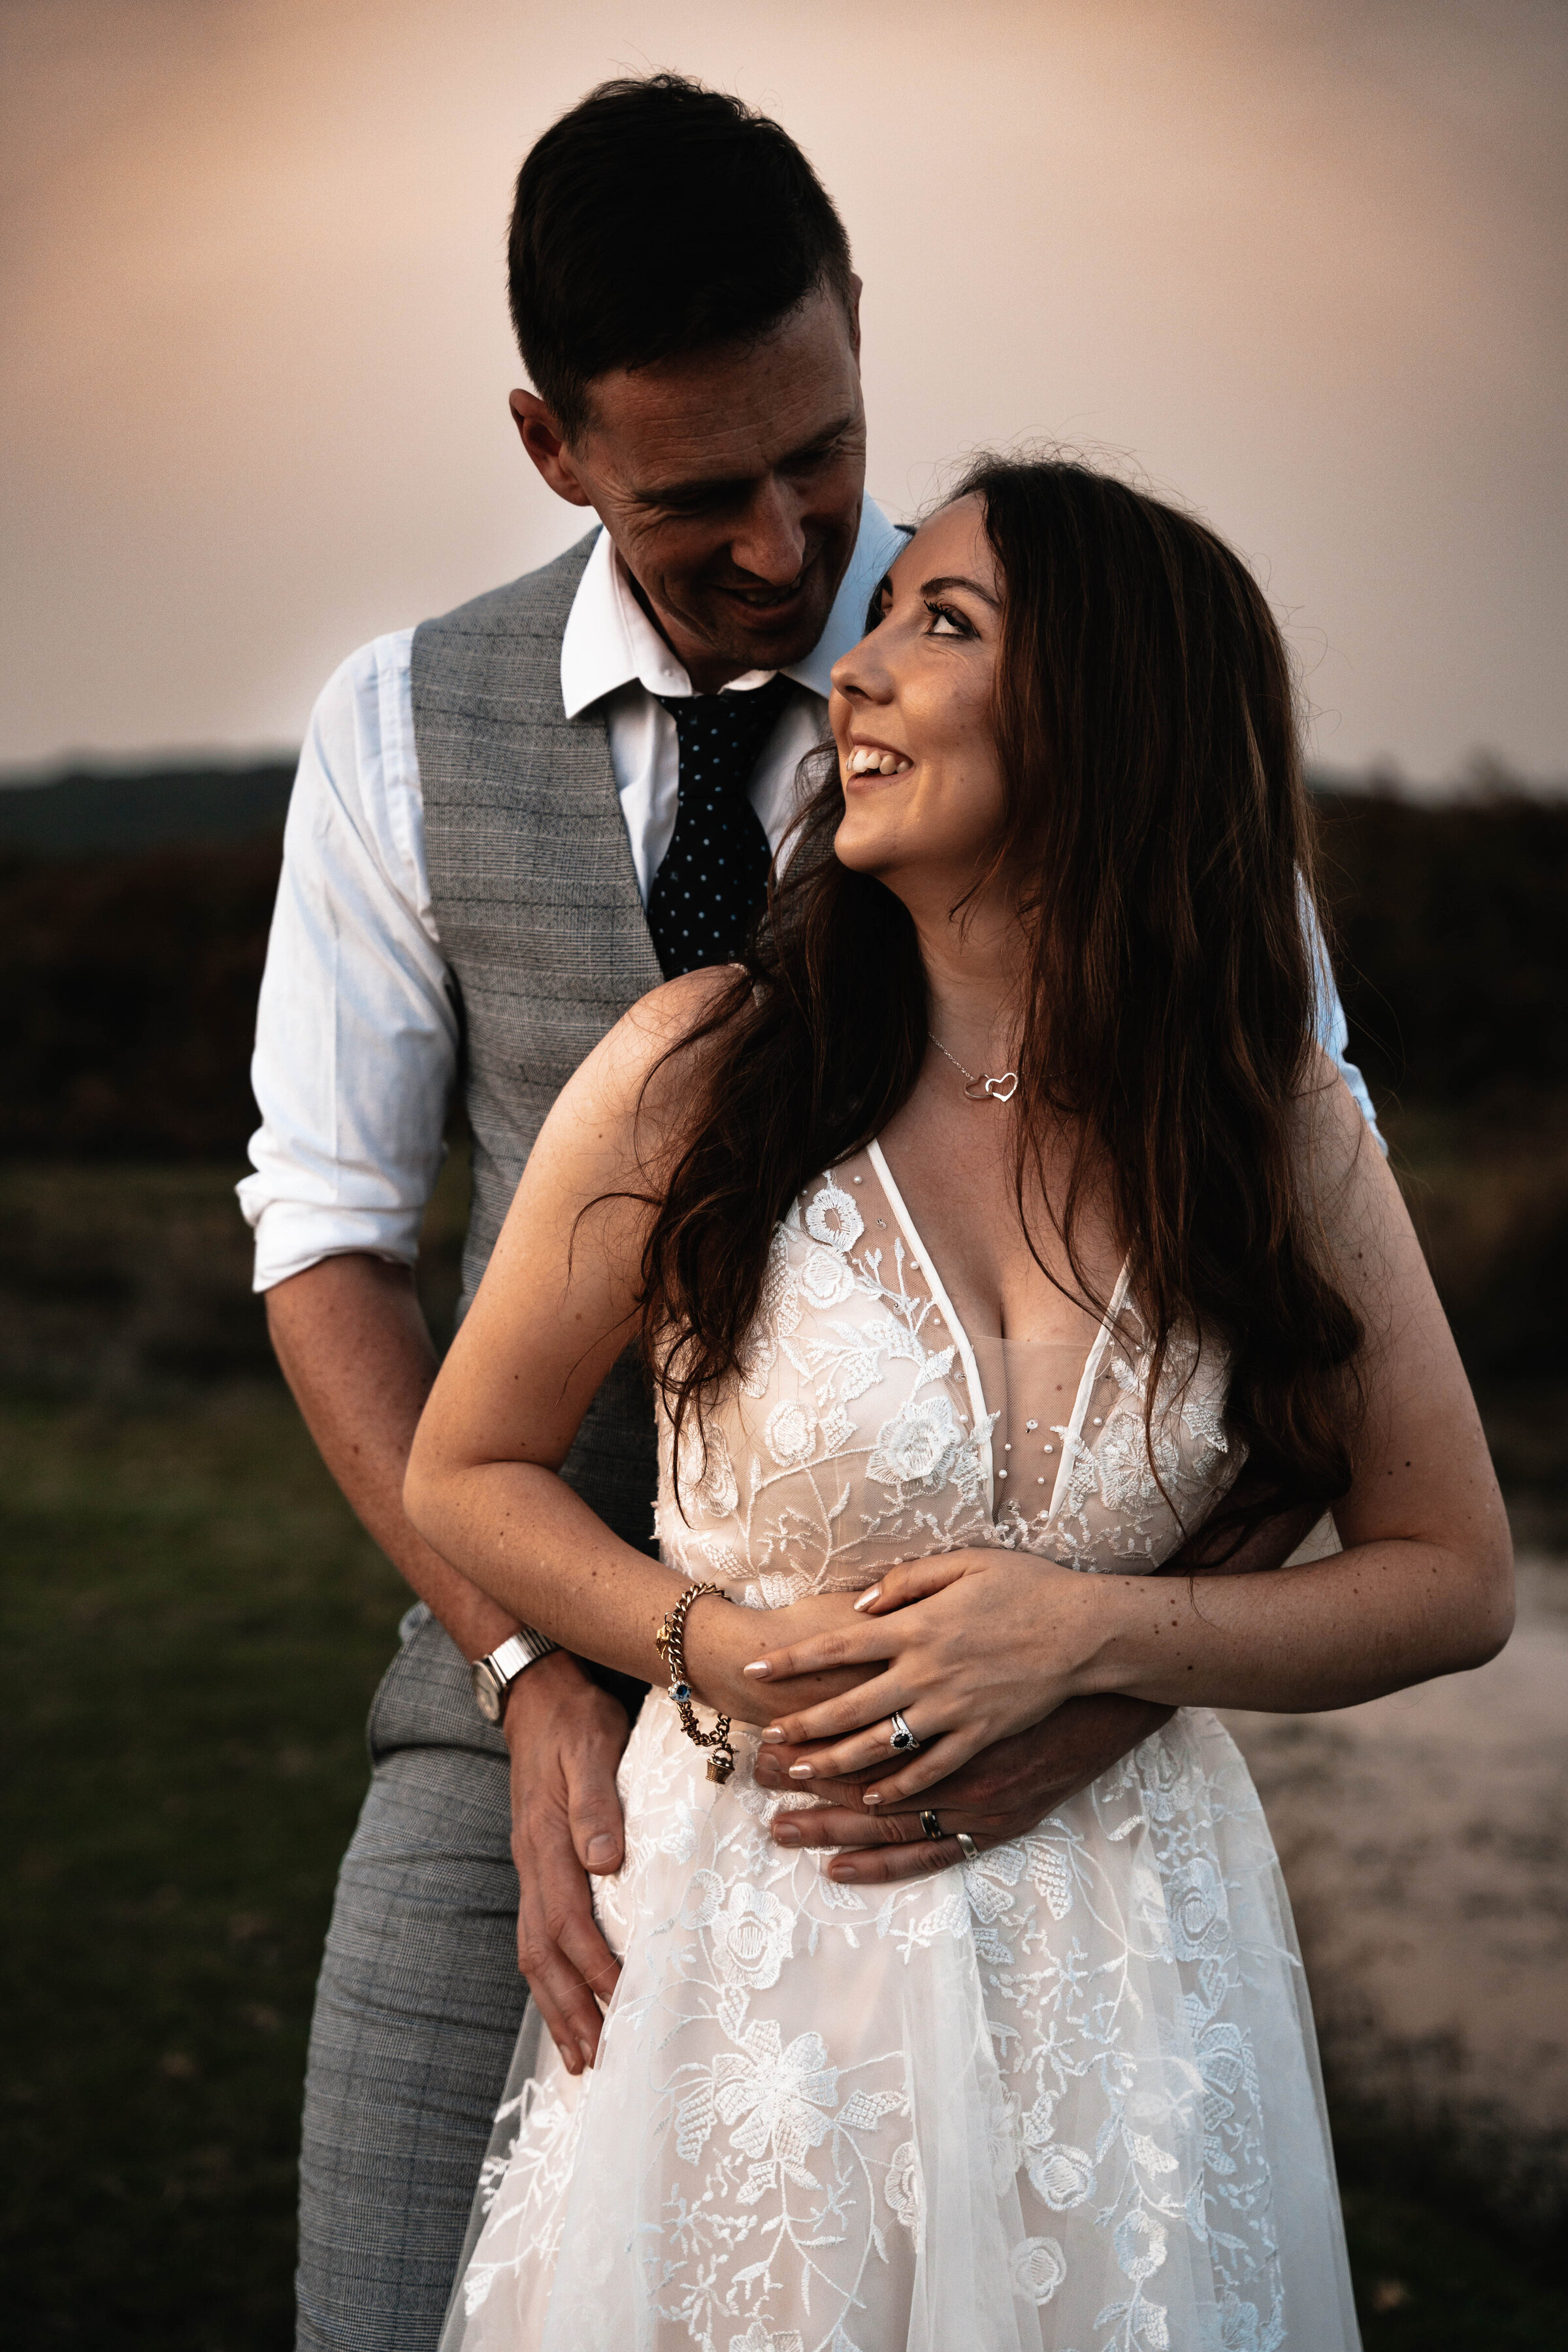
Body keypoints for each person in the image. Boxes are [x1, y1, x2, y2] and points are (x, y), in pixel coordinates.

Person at [241, 76, 1379, 2351]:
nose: (783, 552)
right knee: (391, 2297)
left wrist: (1102, 1681)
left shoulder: (1108, 723)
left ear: (860, 325)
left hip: (1030, 1753)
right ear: (555, 444)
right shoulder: (400, 731)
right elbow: (328, 1240)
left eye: (821, 459)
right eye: (695, 496)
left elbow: (1283, 1304)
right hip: (525, 1662)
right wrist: (536, 1656)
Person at [403, 458, 1513, 2351]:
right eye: (895, 614)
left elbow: (1453, 1573)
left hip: (1128, 1979)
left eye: (945, 623)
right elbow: (467, 1464)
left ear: (1110, 714)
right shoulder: (703, 1074)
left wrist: (1100, 1631)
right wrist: (704, 1644)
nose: (858, 676)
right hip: (758, 1960)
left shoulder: (1267, 1122)